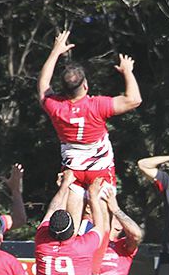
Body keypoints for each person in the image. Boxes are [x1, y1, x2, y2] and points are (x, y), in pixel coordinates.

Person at [37, 30, 142, 231]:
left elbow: (42, 85)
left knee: (71, 229)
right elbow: (134, 99)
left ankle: (73, 257)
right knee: (102, 228)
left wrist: (55, 51)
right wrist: (127, 71)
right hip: (99, 169)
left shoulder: (55, 106)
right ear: (85, 86)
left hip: (72, 171)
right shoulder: (97, 105)